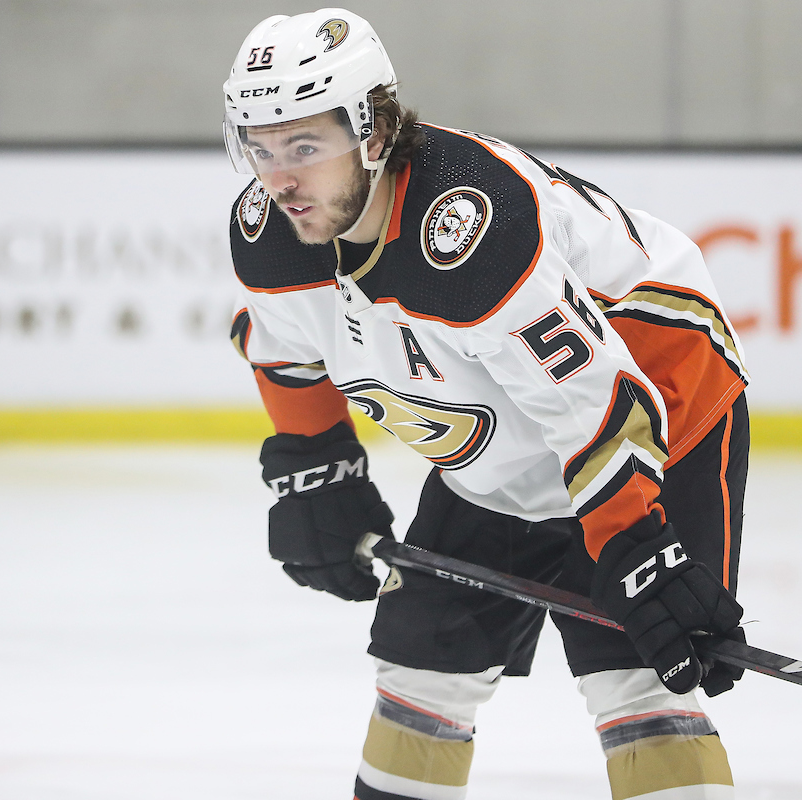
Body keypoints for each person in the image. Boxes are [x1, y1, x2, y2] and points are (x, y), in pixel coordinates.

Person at [224, 9, 752, 799]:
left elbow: (590, 399)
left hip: (653, 408)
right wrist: (315, 464)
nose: (280, 179)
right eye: (259, 150)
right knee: (421, 666)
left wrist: (637, 543)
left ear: (373, 132)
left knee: (640, 679)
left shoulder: (471, 228)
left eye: (305, 147)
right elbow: (284, 352)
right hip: (500, 442)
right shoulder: (271, 234)